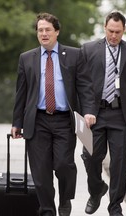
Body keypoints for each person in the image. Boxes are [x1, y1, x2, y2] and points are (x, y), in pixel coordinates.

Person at [11, 12, 96, 216]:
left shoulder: (75, 55)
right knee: (40, 173)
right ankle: (47, 210)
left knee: (64, 164)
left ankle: (65, 200)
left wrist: (89, 112)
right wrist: (17, 122)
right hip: (37, 120)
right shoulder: (26, 58)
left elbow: (85, 86)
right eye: (40, 30)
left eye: (47, 29)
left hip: (64, 120)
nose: (43, 33)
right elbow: (21, 93)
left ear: (57, 32)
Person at [80, 11, 126, 216]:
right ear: (104, 28)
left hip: (121, 114)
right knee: (90, 157)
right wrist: (86, 112)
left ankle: (115, 206)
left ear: (124, 30)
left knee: (120, 164)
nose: (113, 36)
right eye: (110, 31)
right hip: (95, 114)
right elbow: (82, 85)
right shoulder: (88, 49)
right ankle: (96, 190)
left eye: (118, 32)